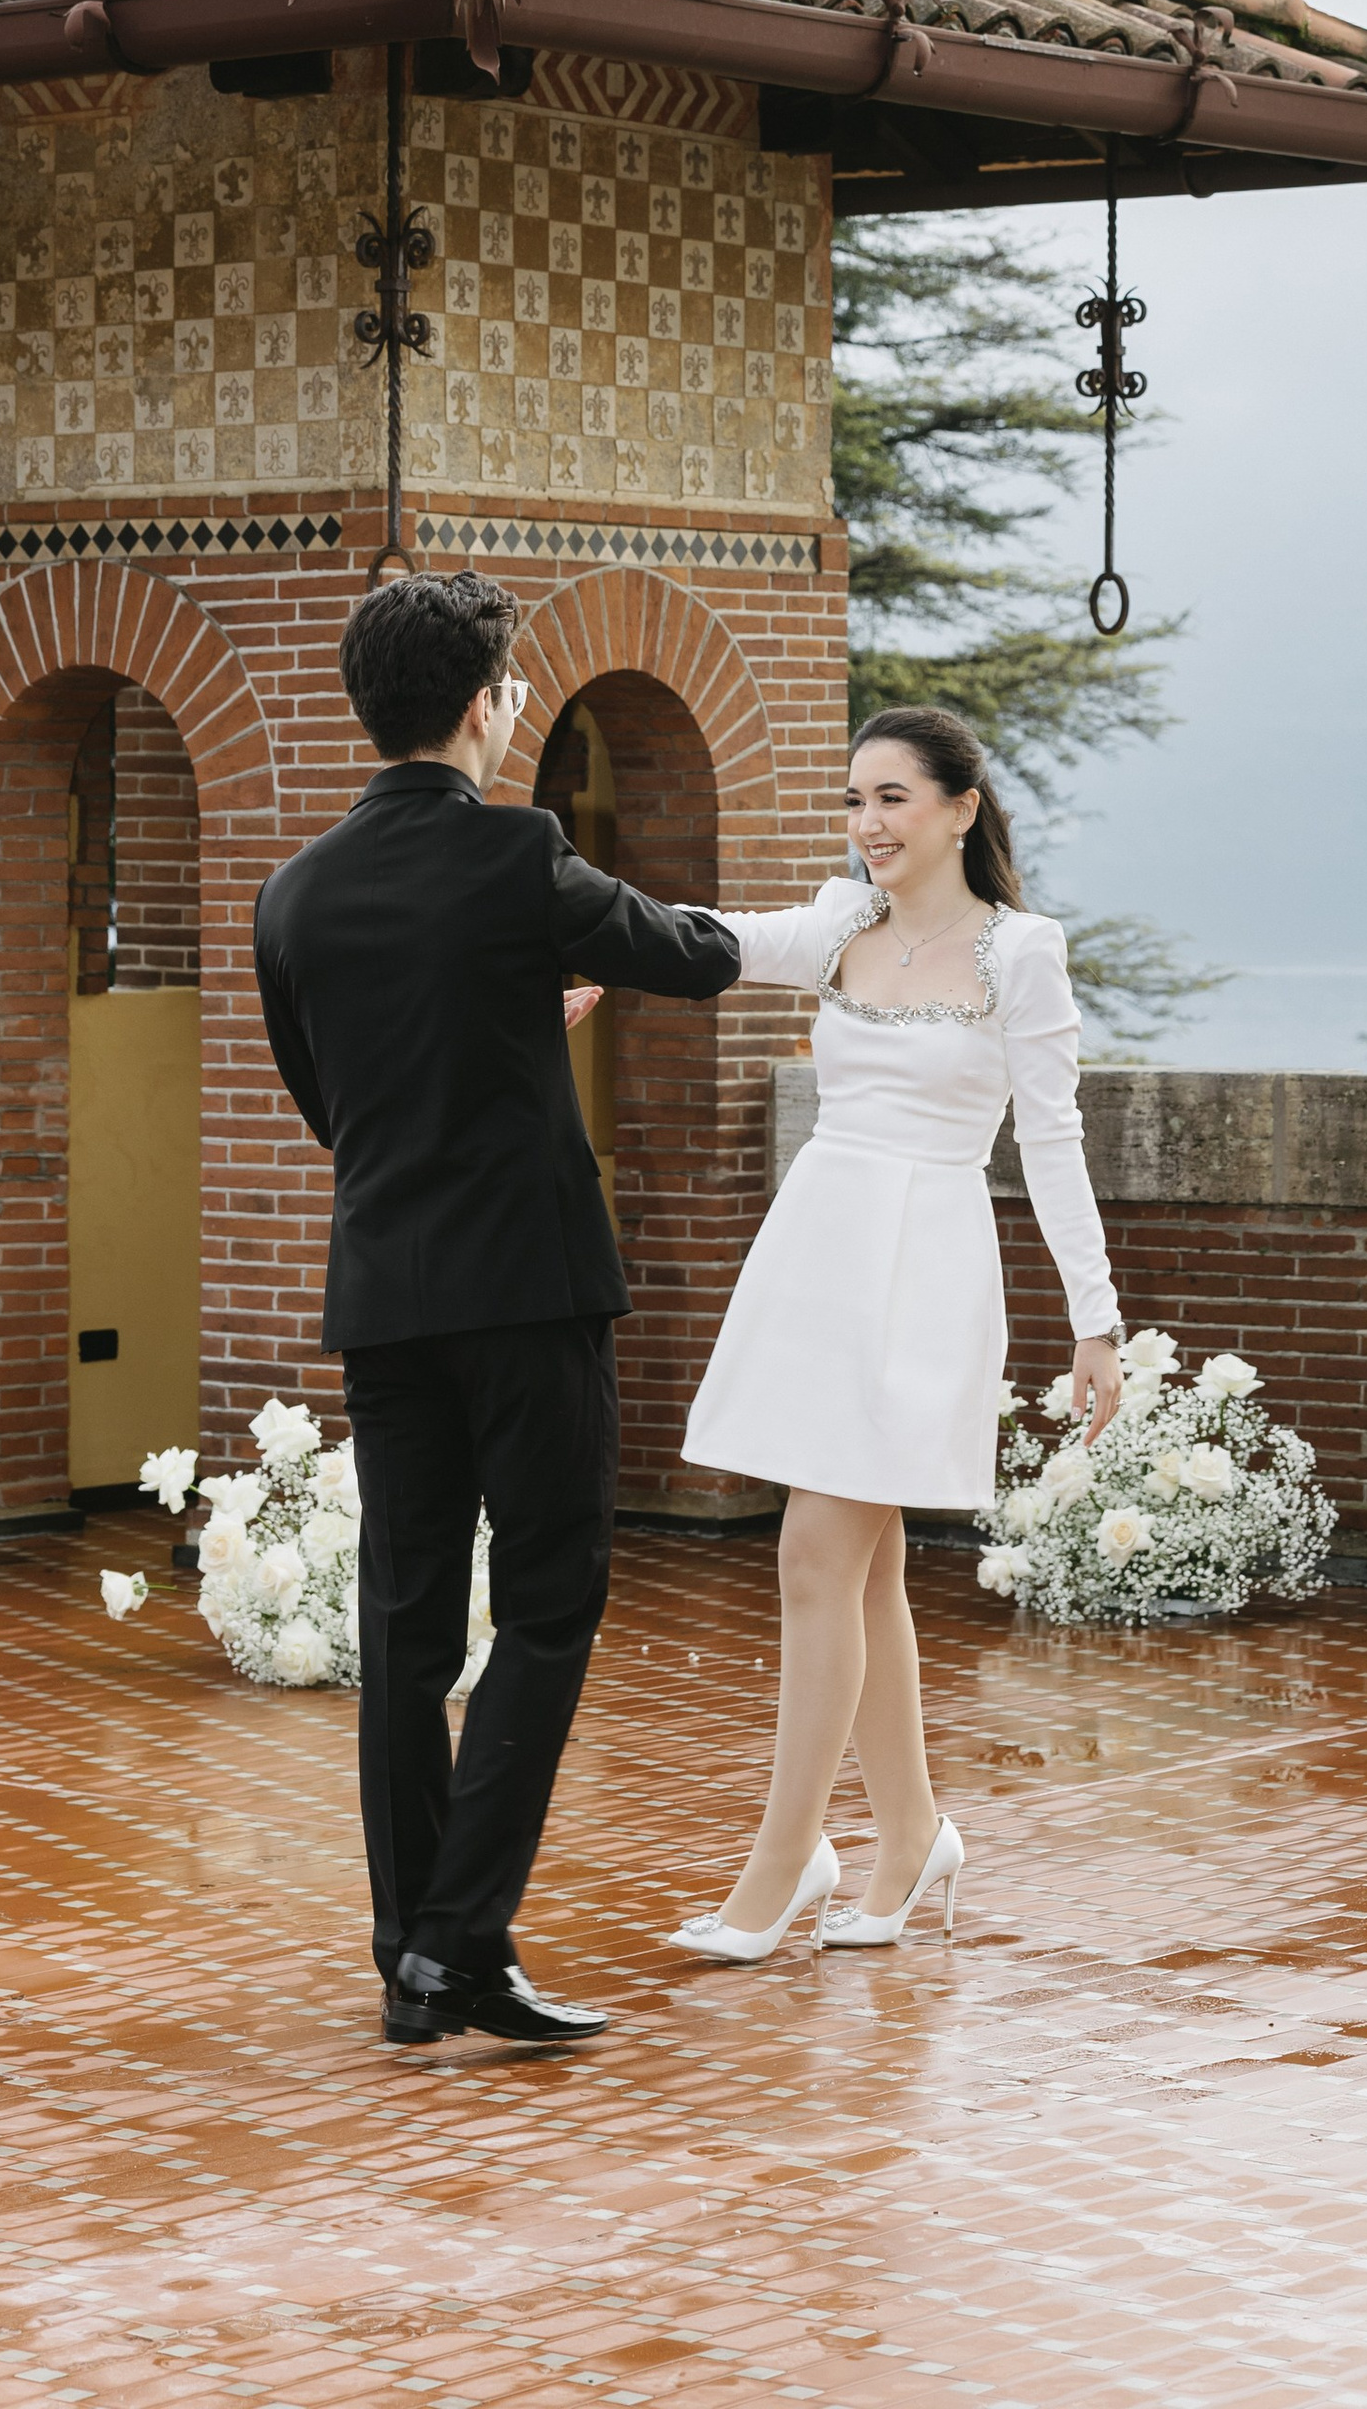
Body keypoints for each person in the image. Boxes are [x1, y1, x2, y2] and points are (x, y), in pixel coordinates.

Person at [253, 569, 739, 2047]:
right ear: (483, 707)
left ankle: (412, 1950)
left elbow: (335, 1103)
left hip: (386, 1293)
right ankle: (462, 1944)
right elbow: (693, 958)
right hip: (530, 1292)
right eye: (511, 687)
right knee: (548, 1604)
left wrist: (522, 1008)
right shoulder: (523, 855)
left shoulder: (295, 892)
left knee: (403, 1622)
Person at [668, 704, 1123, 1962]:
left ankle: (784, 1865)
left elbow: (1052, 1138)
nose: (867, 825)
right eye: (853, 801)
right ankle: (913, 1835)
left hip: (925, 1267)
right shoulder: (840, 921)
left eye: (892, 800)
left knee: (817, 1554)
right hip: (819, 1246)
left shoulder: (1022, 952)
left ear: (961, 810)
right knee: (859, 1569)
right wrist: (598, 947)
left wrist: (1096, 1321)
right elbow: (717, 942)